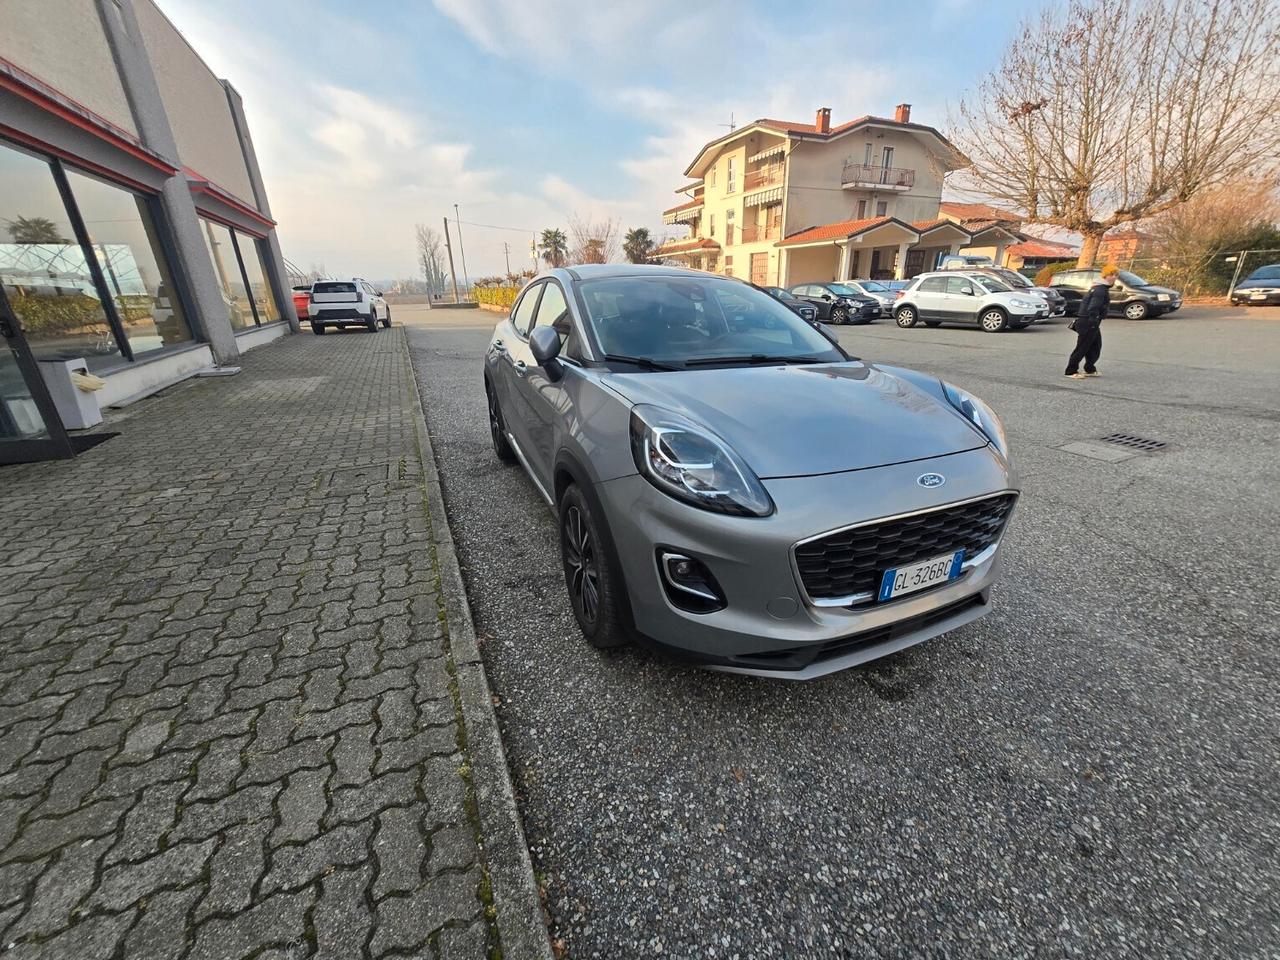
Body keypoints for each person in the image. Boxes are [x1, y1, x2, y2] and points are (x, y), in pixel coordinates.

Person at [1065, 265, 1116, 378]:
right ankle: (1071, 370)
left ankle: (1090, 369)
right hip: (1088, 321)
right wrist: (1094, 319)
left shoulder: (1098, 288)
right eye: (1113, 275)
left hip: (1088, 321)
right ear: (1106, 276)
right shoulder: (1100, 290)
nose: (1114, 277)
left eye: (1116, 275)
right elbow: (1093, 307)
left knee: (1095, 346)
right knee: (1082, 346)